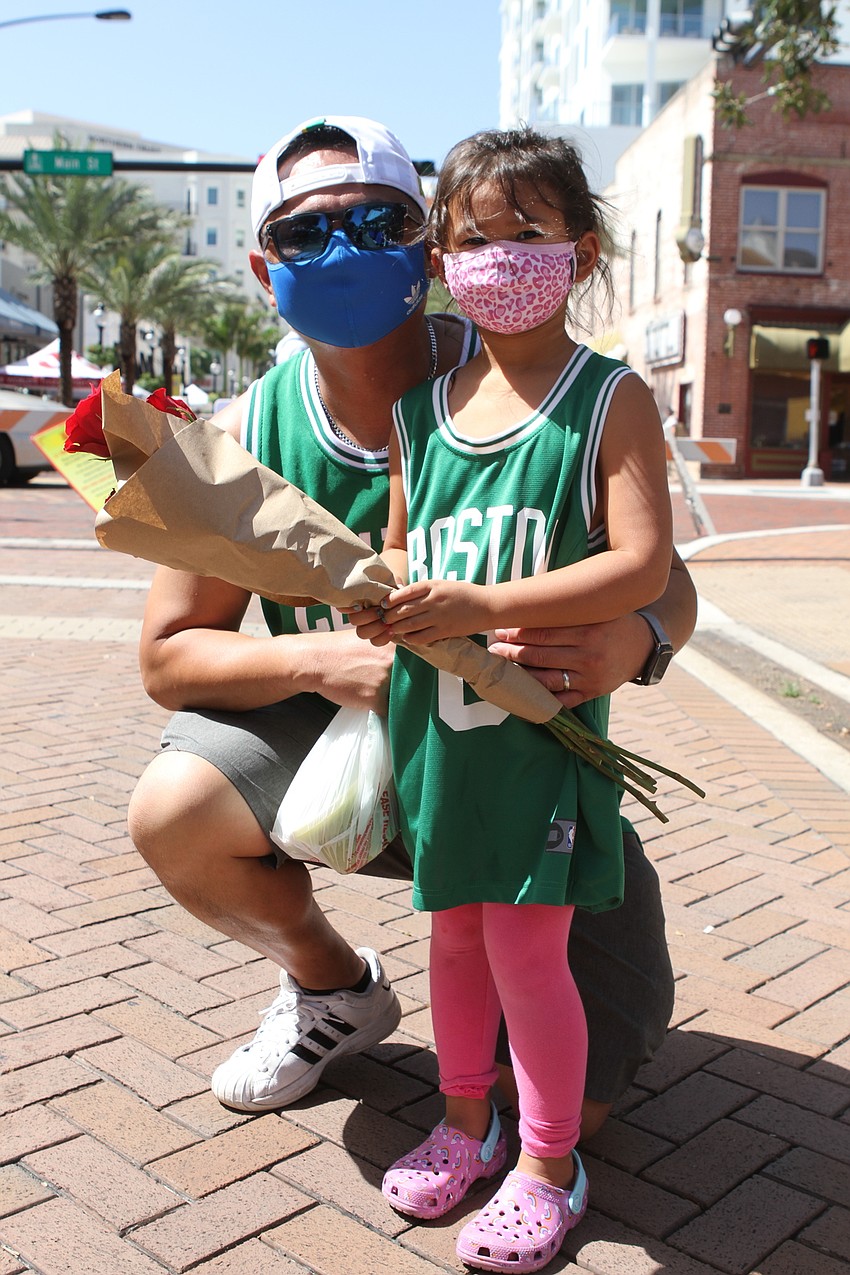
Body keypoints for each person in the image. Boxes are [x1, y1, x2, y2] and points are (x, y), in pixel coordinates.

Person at [127, 115, 696, 1135]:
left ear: (420, 249)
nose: (340, 249)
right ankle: (333, 985)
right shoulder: (240, 436)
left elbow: (662, 578)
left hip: (508, 743)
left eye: (374, 219)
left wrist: (636, 640)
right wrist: (325, 661)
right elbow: (169, 658)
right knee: (174, 807)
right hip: (337, 741)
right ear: (265, 268)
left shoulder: (521, 375)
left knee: (584, 1094)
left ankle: (530, 1118)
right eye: (304, 233)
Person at [345, 125, 672, 1273]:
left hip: (543, 740)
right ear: (440, 256)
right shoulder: (415, 415)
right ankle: (463, 1122)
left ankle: (547, 1162)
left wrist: (482, 600)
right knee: (452, 941)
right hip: (436, 737)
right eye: (473, 237)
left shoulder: (608, 398)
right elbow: (392, 557)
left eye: (526, 234)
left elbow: (639, 564)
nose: (498, 258)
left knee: (530, 953)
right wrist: (370, 600)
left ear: (578, 252)